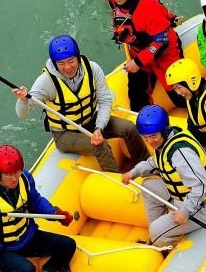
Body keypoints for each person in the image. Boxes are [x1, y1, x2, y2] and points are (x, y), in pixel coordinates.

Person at [13, 34, 148, 172]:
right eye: (61, 63)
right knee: (100, 146)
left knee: (129, 128)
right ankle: (119, 182)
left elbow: (105, 100)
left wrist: (99, 128)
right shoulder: (46, 82)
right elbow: (22, 114)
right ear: (54, 63)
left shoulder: (93, 69)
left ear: (78, 57)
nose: (67, 67)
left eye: (71, 61)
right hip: (65, 133)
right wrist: (23, 100)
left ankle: (145, 167)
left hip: (91, 121)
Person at [122, 105, 206, 248]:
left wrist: (185, 210)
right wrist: (134, 172)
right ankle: (160, 228)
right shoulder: (165, 141)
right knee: (147, 185)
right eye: (145, 138)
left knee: (157, 231)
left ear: (164, 131)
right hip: (182, 196)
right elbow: (155, 162)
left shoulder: (180, 153)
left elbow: (201, 185)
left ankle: (163, 243)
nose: (150, 142)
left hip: (205, 205)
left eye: (153, 136)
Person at [102, 0, 186, 110]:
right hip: (138, 49)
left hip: (164, 52)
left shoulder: (148, 6)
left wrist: (138, 63)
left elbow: (161, 43)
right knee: (137, 98)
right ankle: (148, 128)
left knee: (181, 98)